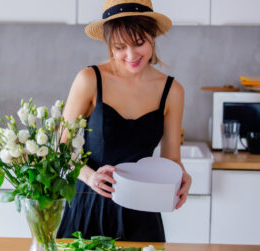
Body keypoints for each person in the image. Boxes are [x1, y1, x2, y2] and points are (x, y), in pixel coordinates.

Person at [56, 0, 192, 242]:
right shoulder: (89, 79)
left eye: (139, 43)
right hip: (89, 207)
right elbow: (61, 150)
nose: (131, 55)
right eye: (120, 47)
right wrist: (90, 176)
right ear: (109, 45)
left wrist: (182, 177)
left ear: (152, 37)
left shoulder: (172, 91)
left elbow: (172, 160)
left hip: (142, 212)